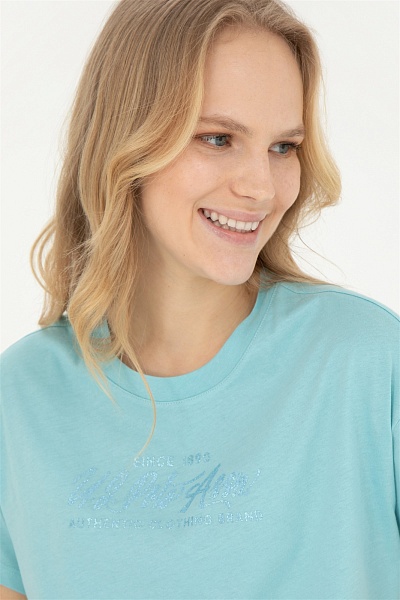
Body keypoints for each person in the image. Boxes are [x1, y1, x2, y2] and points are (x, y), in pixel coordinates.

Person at [1, 0, 398, 598]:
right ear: (125, 144)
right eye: (218, 138)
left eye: (283, 147)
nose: (261, 188)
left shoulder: (367, 362)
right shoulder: (21, 397)